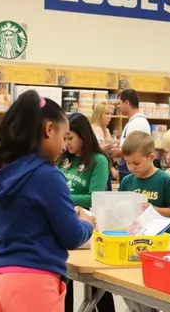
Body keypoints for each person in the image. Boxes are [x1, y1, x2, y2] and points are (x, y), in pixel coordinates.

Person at [0, 90, 95, 312]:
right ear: (49, 129)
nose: (64, 147)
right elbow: (72, 236)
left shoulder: (1, 172)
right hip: (32, 280)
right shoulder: (47, 175)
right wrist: (87, 224)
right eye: (63, 137)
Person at [59, 113, 115, 312]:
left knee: (95, 283)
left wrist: (61, 198)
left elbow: (95, 197)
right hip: (64, 224)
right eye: (63, 138)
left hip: (89, 226)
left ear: (83, 135)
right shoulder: (63, 159)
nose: (66, 144)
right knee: (64, 279)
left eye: (70, 138)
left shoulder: (98, 160)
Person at [119, 132, 170, 228]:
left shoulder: (165, 180)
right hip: (132, 235)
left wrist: (153, 209)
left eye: (136, 163)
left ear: (151, 157)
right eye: (128, 163)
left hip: (159, 237)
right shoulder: (127, 181)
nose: (131, 168)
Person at [113, 89, 150, 181]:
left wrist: (114, 152)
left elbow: (134, 148)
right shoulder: (134, 121)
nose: (118, 106)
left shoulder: (137, 123)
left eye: (120, 103)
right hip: (128, 167)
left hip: (131, 168)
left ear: (126, 103)